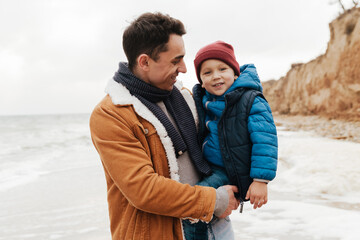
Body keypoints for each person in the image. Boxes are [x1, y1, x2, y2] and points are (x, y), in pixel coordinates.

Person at [89, 13, 239, 240]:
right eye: (175, 60)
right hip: (159, 233)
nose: (185, 68)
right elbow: (144, 190)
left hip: (212, 226)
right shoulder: (111, 114)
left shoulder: (185, 96)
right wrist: (214, 200)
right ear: (144, 62)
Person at [184, 41, 278, 239]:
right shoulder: (205, 99)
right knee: (199, 205)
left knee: (194, 204)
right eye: (207, 72)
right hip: (213, 166)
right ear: (200, 80)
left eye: (222, 69)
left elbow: (265, 140)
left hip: (230, 169)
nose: (216, 76)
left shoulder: (251, 99)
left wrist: (261, 180)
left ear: (235, 73)